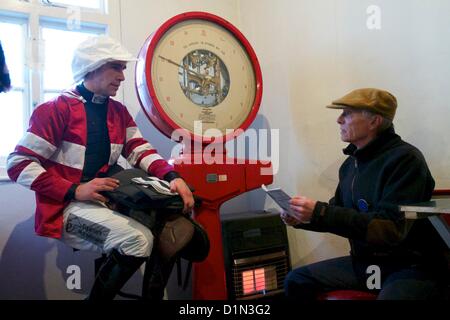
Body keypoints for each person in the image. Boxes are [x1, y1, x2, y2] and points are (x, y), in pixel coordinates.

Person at [6, 35, 194, 300]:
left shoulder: (118, 111)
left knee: (165, 226)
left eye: (123, 69)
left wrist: (173, 177)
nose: (122, 76)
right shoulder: (55, 110)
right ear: (91, 67)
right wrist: (74, 190)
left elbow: (139, 149)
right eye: (116, 67)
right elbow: (18, 164)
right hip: (65, 209)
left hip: (108, 201)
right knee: (138, 241)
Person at [283, 88, 447, 300]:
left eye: (347, 113)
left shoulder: (406, 160)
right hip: (367, 265)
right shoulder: (351, 164)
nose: (339, 120)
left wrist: (319, 212)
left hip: (409, 266)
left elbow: (391, 229)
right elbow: (338, 211)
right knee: (296, 280)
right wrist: (302, 217)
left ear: (374, 121)